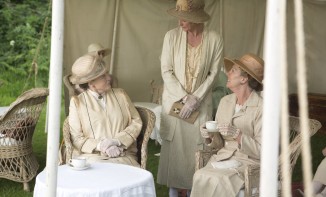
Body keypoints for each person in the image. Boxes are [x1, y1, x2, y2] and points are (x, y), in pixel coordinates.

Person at [157, 0, 224, 196]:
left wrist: (197, 97)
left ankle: (196, 191)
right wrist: (184, 96)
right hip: (175, 103)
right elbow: (166, 70)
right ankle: (173, 193)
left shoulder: (214, 39)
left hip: (200, 105)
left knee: (198, 150)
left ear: (197, 19)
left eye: (184, 19)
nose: (180, 22)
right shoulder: (171, 37)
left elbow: (213, 72)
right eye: (179, 18)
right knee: (175, 154)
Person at [191, 53, 264, 197]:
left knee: (219, 181)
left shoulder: (262, 108)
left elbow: (264, 151)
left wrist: (238, 135)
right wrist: (211, 135)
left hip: (248, 164)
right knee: (200, 175)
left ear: (244, 79)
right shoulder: (225, 101)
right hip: (223, 158)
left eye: (233, 70)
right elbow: (219, 144)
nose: (228, 73)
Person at [68, 53, 142, 167]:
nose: (109, 77)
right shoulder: (77, 103)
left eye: (107, 73)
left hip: (123, 155)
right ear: (91, 83)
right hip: (92, 158)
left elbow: (136, 121)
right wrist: (101, 145)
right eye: (103, 76)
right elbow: (77, 138)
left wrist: (117, 141)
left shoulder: (121, 94)